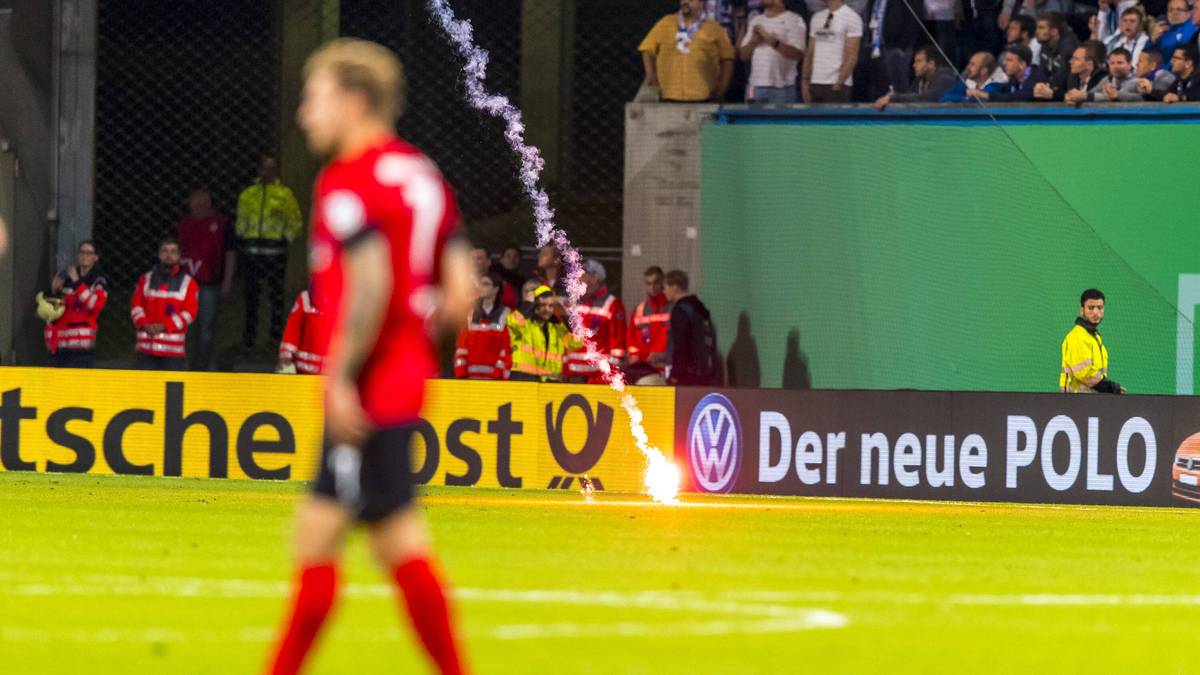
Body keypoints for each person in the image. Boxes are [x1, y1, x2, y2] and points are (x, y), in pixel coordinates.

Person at [266, 38, 473, 675]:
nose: (304, 114)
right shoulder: (424, 175)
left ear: (354, 102)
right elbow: (462, 293)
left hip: (372, 388)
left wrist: (347, 376)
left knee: (370, 540)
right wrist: (417, 349)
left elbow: (373, 280)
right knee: (342, 534)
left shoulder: (348, 181)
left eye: (314, 97)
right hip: (405, 378)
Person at [235, 154, 303, 351]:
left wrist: (285, 237)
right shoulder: (248, 194)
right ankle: (249, 337)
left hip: (275, 252)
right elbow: (241, 219)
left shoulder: (284, 195)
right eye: (264, 167)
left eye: (271, 168)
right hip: (252, 252)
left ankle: (274, 337)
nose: (267, 171)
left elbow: (295, 221)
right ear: (259, 169)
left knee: (276, 296)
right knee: (251, 296)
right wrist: (243, 236)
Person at [176, 186, 235, 371]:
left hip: (209, 282)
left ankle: (200, 367)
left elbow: (230, 253)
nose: (197, 206)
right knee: (182, 326)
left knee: (205, 329)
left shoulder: (221, 223)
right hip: (184, 283)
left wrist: (227, 280)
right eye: (194, 201)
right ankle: (180, 363)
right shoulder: (183, 223)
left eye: (201, 201)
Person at [639, 0, 736, 102]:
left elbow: (728, 59)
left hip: (703, 97)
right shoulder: (665, 23)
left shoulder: (714, 28)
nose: (685, 2)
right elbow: (646, 49)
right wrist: (651, 74)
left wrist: (720, 90)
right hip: (668, 95)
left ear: (701, 3)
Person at [130, 238, 199, 371]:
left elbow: (189, 313)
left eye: (173, 252)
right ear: (159, 254)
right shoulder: (145, 279)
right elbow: (136, 306)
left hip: (172, 353)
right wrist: (144, 324)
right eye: (164, 251)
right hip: (145, 349)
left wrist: (165, 326)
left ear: (179, 256)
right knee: (144, 390)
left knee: (172, 391)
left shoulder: (189, 283)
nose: (168, 255)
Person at [43, 240, 107, 368]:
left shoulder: (98, 280)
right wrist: (53, 290)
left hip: (80, 347)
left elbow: (95, 305)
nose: (84, 256)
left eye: (89, 253)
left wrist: (78, 283)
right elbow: (51, 309)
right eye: (82, 252)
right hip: (59, 344)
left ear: (96, 258)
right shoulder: (66, 277)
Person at [563, 259, 627, 385]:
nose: (579, 281)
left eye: (583, 277)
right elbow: (568, 338)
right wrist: (565, 369)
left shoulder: (613, 304)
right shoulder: (575, 304)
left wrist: (609, 375)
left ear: (595, 278)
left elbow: (618, 345)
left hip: (598, 379)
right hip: (573, 375)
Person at [738, 0, 806, 103]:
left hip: (783, 87)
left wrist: (773, 41)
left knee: (782, 119)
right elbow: (743, 56)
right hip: (754, 86)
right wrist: (754, 42)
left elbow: (798, 55)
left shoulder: (795, 19)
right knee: (752, 119)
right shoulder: (755, 20)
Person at [1060, 288, 1123, 394]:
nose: (1096, 312)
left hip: (1090, 402)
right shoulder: (1077, 336)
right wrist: (1109, 387)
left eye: (1100, 307)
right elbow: (1084, 374)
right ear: (1082, 310)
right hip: (1075, 402)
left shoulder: (1094, 337)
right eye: (1091, 308)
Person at [663, 270, 719, 386]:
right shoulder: (699, 308)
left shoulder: (680, 311)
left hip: (687, 375)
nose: (664, 292)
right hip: (705, 372)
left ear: (675, 287)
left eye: (666, 287)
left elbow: (681, 344)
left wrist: (675, 374)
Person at [803, 0, 863, 103]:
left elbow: (852, 55)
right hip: (815, 82)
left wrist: (839, 82)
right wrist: (805, 80)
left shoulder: (852, 17)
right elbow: (810, 52)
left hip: (836, 85)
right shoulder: (817, 17)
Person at [454, 272, 511, 380]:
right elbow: (462, 348)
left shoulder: (505, 314)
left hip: (494, 380)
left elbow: (505, 350)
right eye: (480, 284)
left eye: (486, 284)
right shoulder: (470, 314)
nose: (481, 287)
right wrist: (461, 374)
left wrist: (497, 375)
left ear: (496, 289)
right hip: (469, 379)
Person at [508, 285, 571, 382]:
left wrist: (566, 317)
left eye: (551, 306)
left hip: (551, 382)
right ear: (535, 305)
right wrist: (527, 304)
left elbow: (576, 343)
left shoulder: (557, 326)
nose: (547, 309)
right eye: (543, 305)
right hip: (524, 380)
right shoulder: (525, 324)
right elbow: (513, 323)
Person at [864, 0, 927, 97]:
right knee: (877, 86)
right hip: (875, 45)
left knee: (898, 87)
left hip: (896, 47)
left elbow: (914, 18)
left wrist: (903, 45)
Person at [626, 265, 673, 382]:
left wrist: (663, 355)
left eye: (656, 282)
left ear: (663, 282)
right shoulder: (639, 310)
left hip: (666, 369)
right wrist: (634, 356)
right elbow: (630, 340)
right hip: (643, 371)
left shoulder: (673, 308)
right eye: (648, 283)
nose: (652, 287)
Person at [874, 45, 957, 109]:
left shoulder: (945, 79)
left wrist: (894, 98)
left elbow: (925, 99)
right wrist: (893, 96)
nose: (914, 65)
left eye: (918, 61)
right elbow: (910, 95)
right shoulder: (920, 79)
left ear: (931, 64)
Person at [968, 45, 1047, 100]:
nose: (1004, 63)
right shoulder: (1014, 79)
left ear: (1022, 64)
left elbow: (1017, 97)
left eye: (1009, 60)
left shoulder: (1036, 78)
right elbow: (1004, 93)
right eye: (1005, 60)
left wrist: (983, 94)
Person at [277, 288, 325, 375]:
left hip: (334, 373)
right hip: (304, 371)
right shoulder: (306, 298)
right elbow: (292, 330)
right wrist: (286, 359)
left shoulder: (347, 299)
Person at [1034, 13, 1079, 97]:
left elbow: (1063, 77)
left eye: (1041, 28)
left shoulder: (1068, 47)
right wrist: (1041, 86)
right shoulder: (1045, 45)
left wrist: (1048, 87)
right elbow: (1042, 73)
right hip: (1055, 92)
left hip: (1071, 94)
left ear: (1054, 31)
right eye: (1037, 28)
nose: (1037, 31)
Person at [940, 50, 1009, 101]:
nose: (968, 67)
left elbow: (978, 101)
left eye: (972, 64)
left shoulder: (996, 85)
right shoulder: (966, 83)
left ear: (983, 71)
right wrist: (965, 98)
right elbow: (944, 97)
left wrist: (965, 98)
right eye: (969, 63)